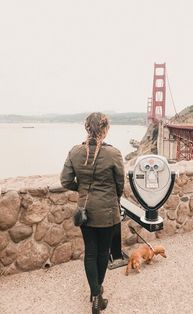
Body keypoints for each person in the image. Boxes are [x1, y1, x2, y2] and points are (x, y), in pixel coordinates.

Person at [60, 112, 125, 314]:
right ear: (105, 129)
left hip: (85, 211)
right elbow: (120, 184)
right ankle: (97, 295)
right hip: (107, 212)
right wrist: (113, 196)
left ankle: (95, 292)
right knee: (103, 253)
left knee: (90, 252)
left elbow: (65, 180)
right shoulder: (113, 153)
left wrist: (82, 189)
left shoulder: (75, 151)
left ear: (87, 128)